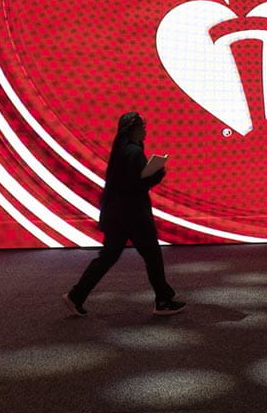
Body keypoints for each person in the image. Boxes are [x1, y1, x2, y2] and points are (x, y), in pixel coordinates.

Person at [62, 112, 185, 316]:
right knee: (152, 256)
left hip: (117, 214)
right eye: (142, 127)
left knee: (108, 257)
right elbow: (136, 185)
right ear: (134, 129)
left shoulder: (121, 149)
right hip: (133, 215)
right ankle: (163, 300)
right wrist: (157, 173)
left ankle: (76, 295)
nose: (145, 130)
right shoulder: (133, 152)